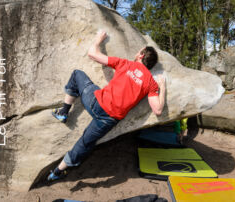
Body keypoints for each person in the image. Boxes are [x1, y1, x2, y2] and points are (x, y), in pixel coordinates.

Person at [47, 30, 166, 181]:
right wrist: (162, 87)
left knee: (77, 74)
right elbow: (158, 109)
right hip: (108, 120)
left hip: (96, 103)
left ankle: (64, 112)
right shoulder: (150, 82)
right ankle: (57, 171)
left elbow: (92, 53)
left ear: (141, 55)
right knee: (85, 142)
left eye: (139, 52)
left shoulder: (126, 63)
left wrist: (98, 40)